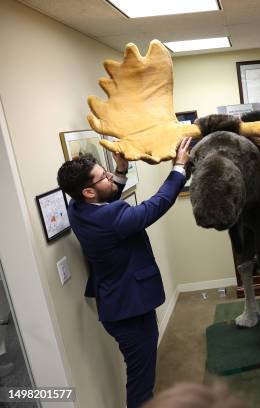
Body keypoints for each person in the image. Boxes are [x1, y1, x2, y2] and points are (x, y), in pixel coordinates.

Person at [56, 138, 192, 407]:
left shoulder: (77, 209)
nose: (108, 176)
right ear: (87, 192)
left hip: (117, 303)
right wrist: (179, 167)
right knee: (141, 384)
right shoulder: (110, 219)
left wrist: (119, 171)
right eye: (102, 176)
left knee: (140, 375)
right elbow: (157, 204)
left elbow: (108, 197)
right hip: (130, 312)